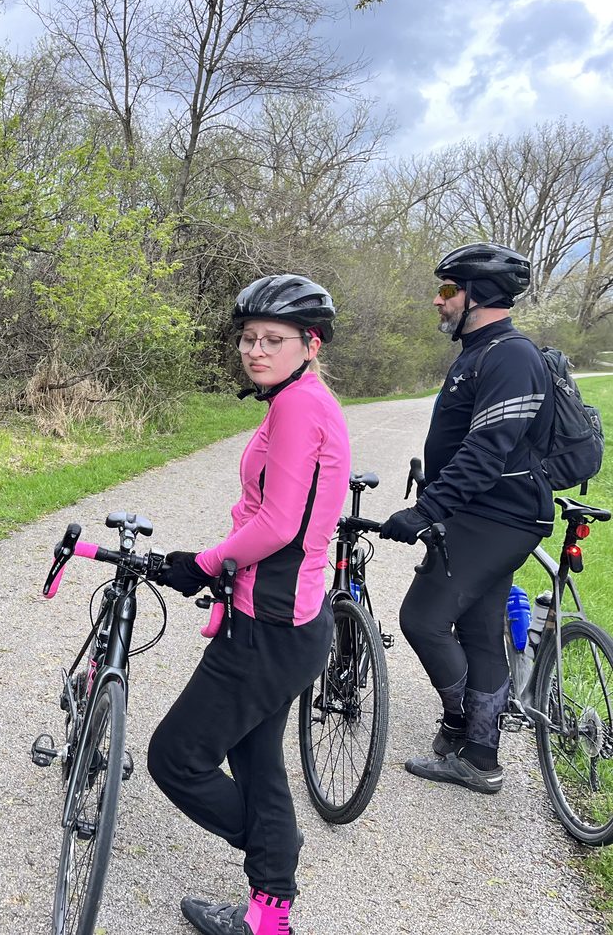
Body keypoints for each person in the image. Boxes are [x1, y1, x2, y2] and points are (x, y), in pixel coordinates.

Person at [147, 274, 348, 935]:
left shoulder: (298, 407)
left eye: (274, 340)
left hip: (269, 630)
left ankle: (274, 852)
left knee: (175, 758)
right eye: (249, 339)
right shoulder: (302, 400)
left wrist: (201, 564)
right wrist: (219, 574)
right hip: (284, 623)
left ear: (309, 344)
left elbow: (279, 525)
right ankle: (269, 915)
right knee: (256, 760)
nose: (256, 350)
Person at [380, 242, 553, 794]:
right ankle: (479, 757)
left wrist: (426, 510)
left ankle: (459, 725)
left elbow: (487, 450)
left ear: (482, 294)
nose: (438, 300)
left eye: (449, 290)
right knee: (479, 631)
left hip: (499, 517)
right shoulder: (483, 350)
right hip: (487, 515)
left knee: (423, 619)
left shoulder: (510, 356)